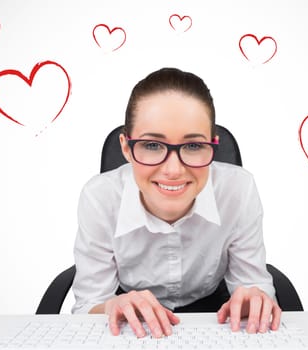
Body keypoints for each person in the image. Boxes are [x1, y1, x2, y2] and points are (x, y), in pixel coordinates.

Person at [71, 67, 281, 338]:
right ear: (126, 148)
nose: (173, 170)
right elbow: (89, 305)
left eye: (193, 146)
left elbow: (252, 283)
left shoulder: (238, 190)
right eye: (152, 145)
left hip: (215, 318)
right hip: (129, 320)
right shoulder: (99, 197)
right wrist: (111, 306)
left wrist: (257, 299)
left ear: (212, 146)